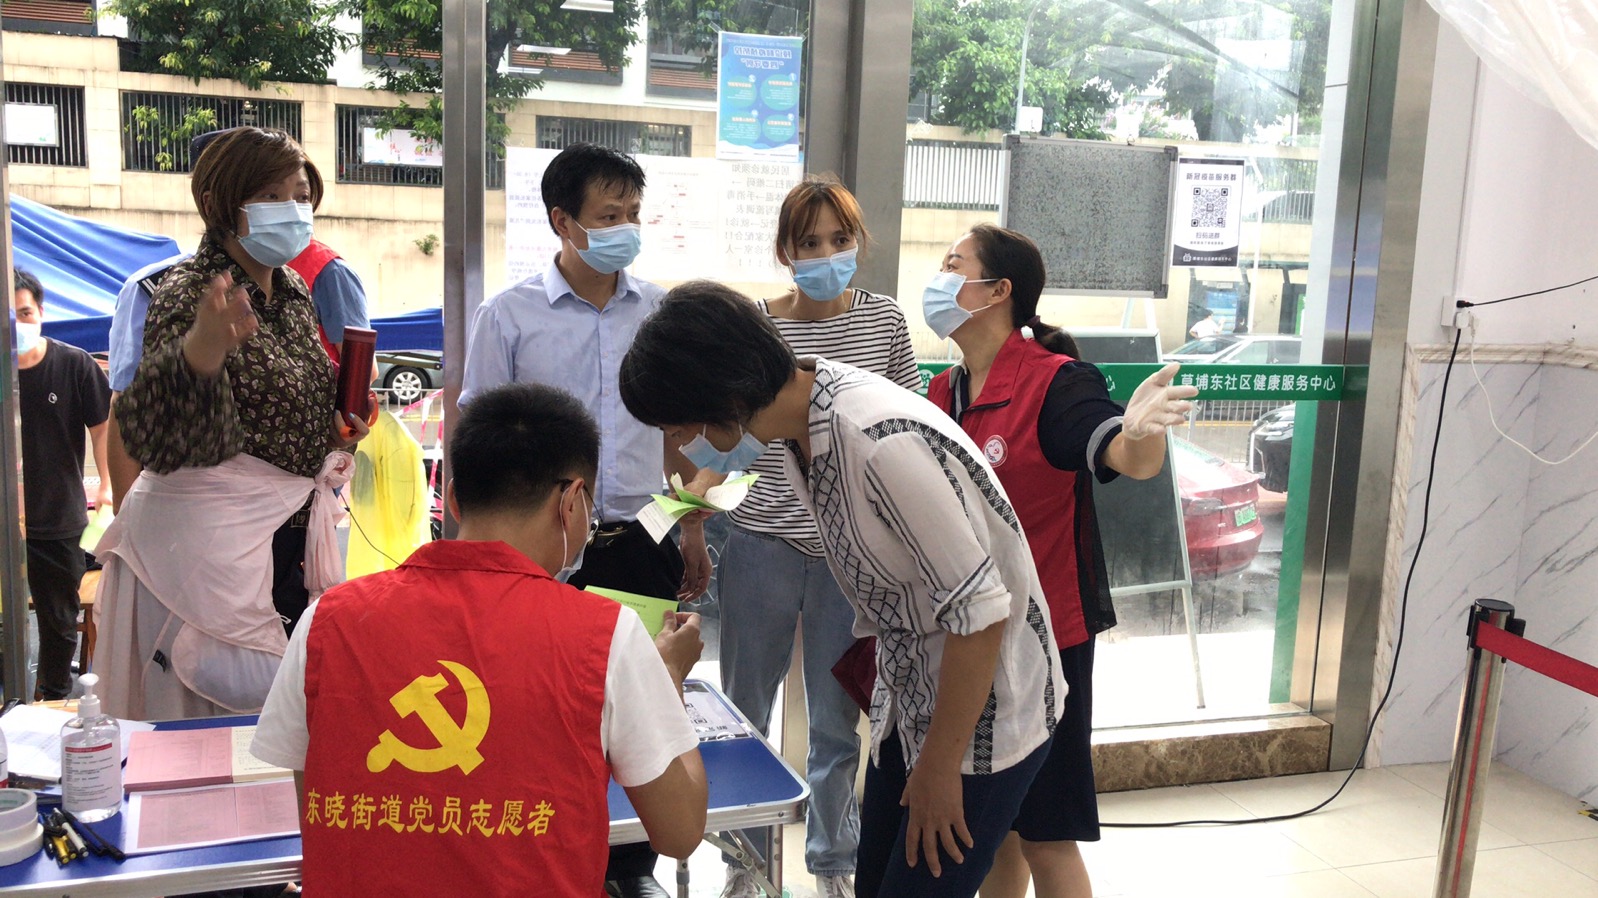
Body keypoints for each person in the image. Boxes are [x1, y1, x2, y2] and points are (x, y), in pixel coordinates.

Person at [621, 282, 1060, 898]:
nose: (678, 445)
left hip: (979, 716)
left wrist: (940, 769)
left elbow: (982, 614)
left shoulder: (876, 441)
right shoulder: (806, 421)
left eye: (676, 427)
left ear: (723, 399)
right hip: (910, 699)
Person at [251, 382, 708, 896]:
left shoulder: (326, 621)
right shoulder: (606, 636)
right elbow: (680, 831)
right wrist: (668, 675)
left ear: (453, 498)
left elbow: (317, 807)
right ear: (572, 502)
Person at [461, 142, 711, 898]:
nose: (625, 228)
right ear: (562, 222)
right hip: (537, 549)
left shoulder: (659, 311)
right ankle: (538, 851)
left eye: (633, 213)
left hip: (640, 538)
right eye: (608, 215)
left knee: (639, 703)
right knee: (536, 705)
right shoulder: (509, 317)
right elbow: (478, 445)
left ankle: (628, 867)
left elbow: (678, 435)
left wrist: (691, 529)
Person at [922, 225, 1196, 898]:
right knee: (994, 831)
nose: (939, 279)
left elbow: (1124, 454)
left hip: (1044, 645)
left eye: (954, 265)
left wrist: (1142, 435)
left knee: (1046, 836)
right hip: (967, 637)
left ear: (997, 291)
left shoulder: (1056, 382)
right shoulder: (941, 392)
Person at [95, 126, 367, 721]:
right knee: (206, 721)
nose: (292, 210)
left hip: (283, 537)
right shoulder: (190, 292)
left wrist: (335, 433)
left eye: (301, 196)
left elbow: (288, 410)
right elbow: (156, 433)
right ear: (222, 203)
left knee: (278, 721)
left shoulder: (293, 289)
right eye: (271, 195)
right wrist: (202, 354)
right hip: (206, 548)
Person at [715, 176, 918, 898]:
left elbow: (909, 427)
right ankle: (744, 864)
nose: (827, 254)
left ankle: (833, 862)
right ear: (785, 251)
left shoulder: (884, 320)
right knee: (743, 712)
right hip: (762, 541)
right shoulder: (755, 326)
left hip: (851, 551)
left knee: (837, 723)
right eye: (810, 242)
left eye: (840, 239)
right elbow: (731, 434)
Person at [12, 269, 112, 700]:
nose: (17, 324)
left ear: (41, 311)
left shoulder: (73, 364)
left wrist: (108, 485)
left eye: (24, 313)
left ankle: (51, 700)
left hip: (58, 518)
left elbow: (103, 427)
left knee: (58, 621)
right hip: (7, 522)